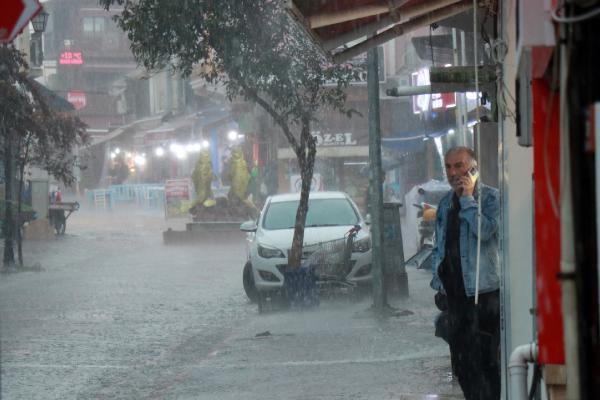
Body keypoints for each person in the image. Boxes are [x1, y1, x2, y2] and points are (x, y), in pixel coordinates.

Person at [430, 147, 500, 400]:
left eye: (459, 166)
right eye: (448, 167)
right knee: (463, 368)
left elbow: (486, 232)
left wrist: (469, 199)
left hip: (482, 295)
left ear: (474, 167)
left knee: (486, 364)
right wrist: (438, 282)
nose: (453, 172)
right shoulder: (445, 203)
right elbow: (440, 245)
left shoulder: (491, 198)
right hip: (454, 298)